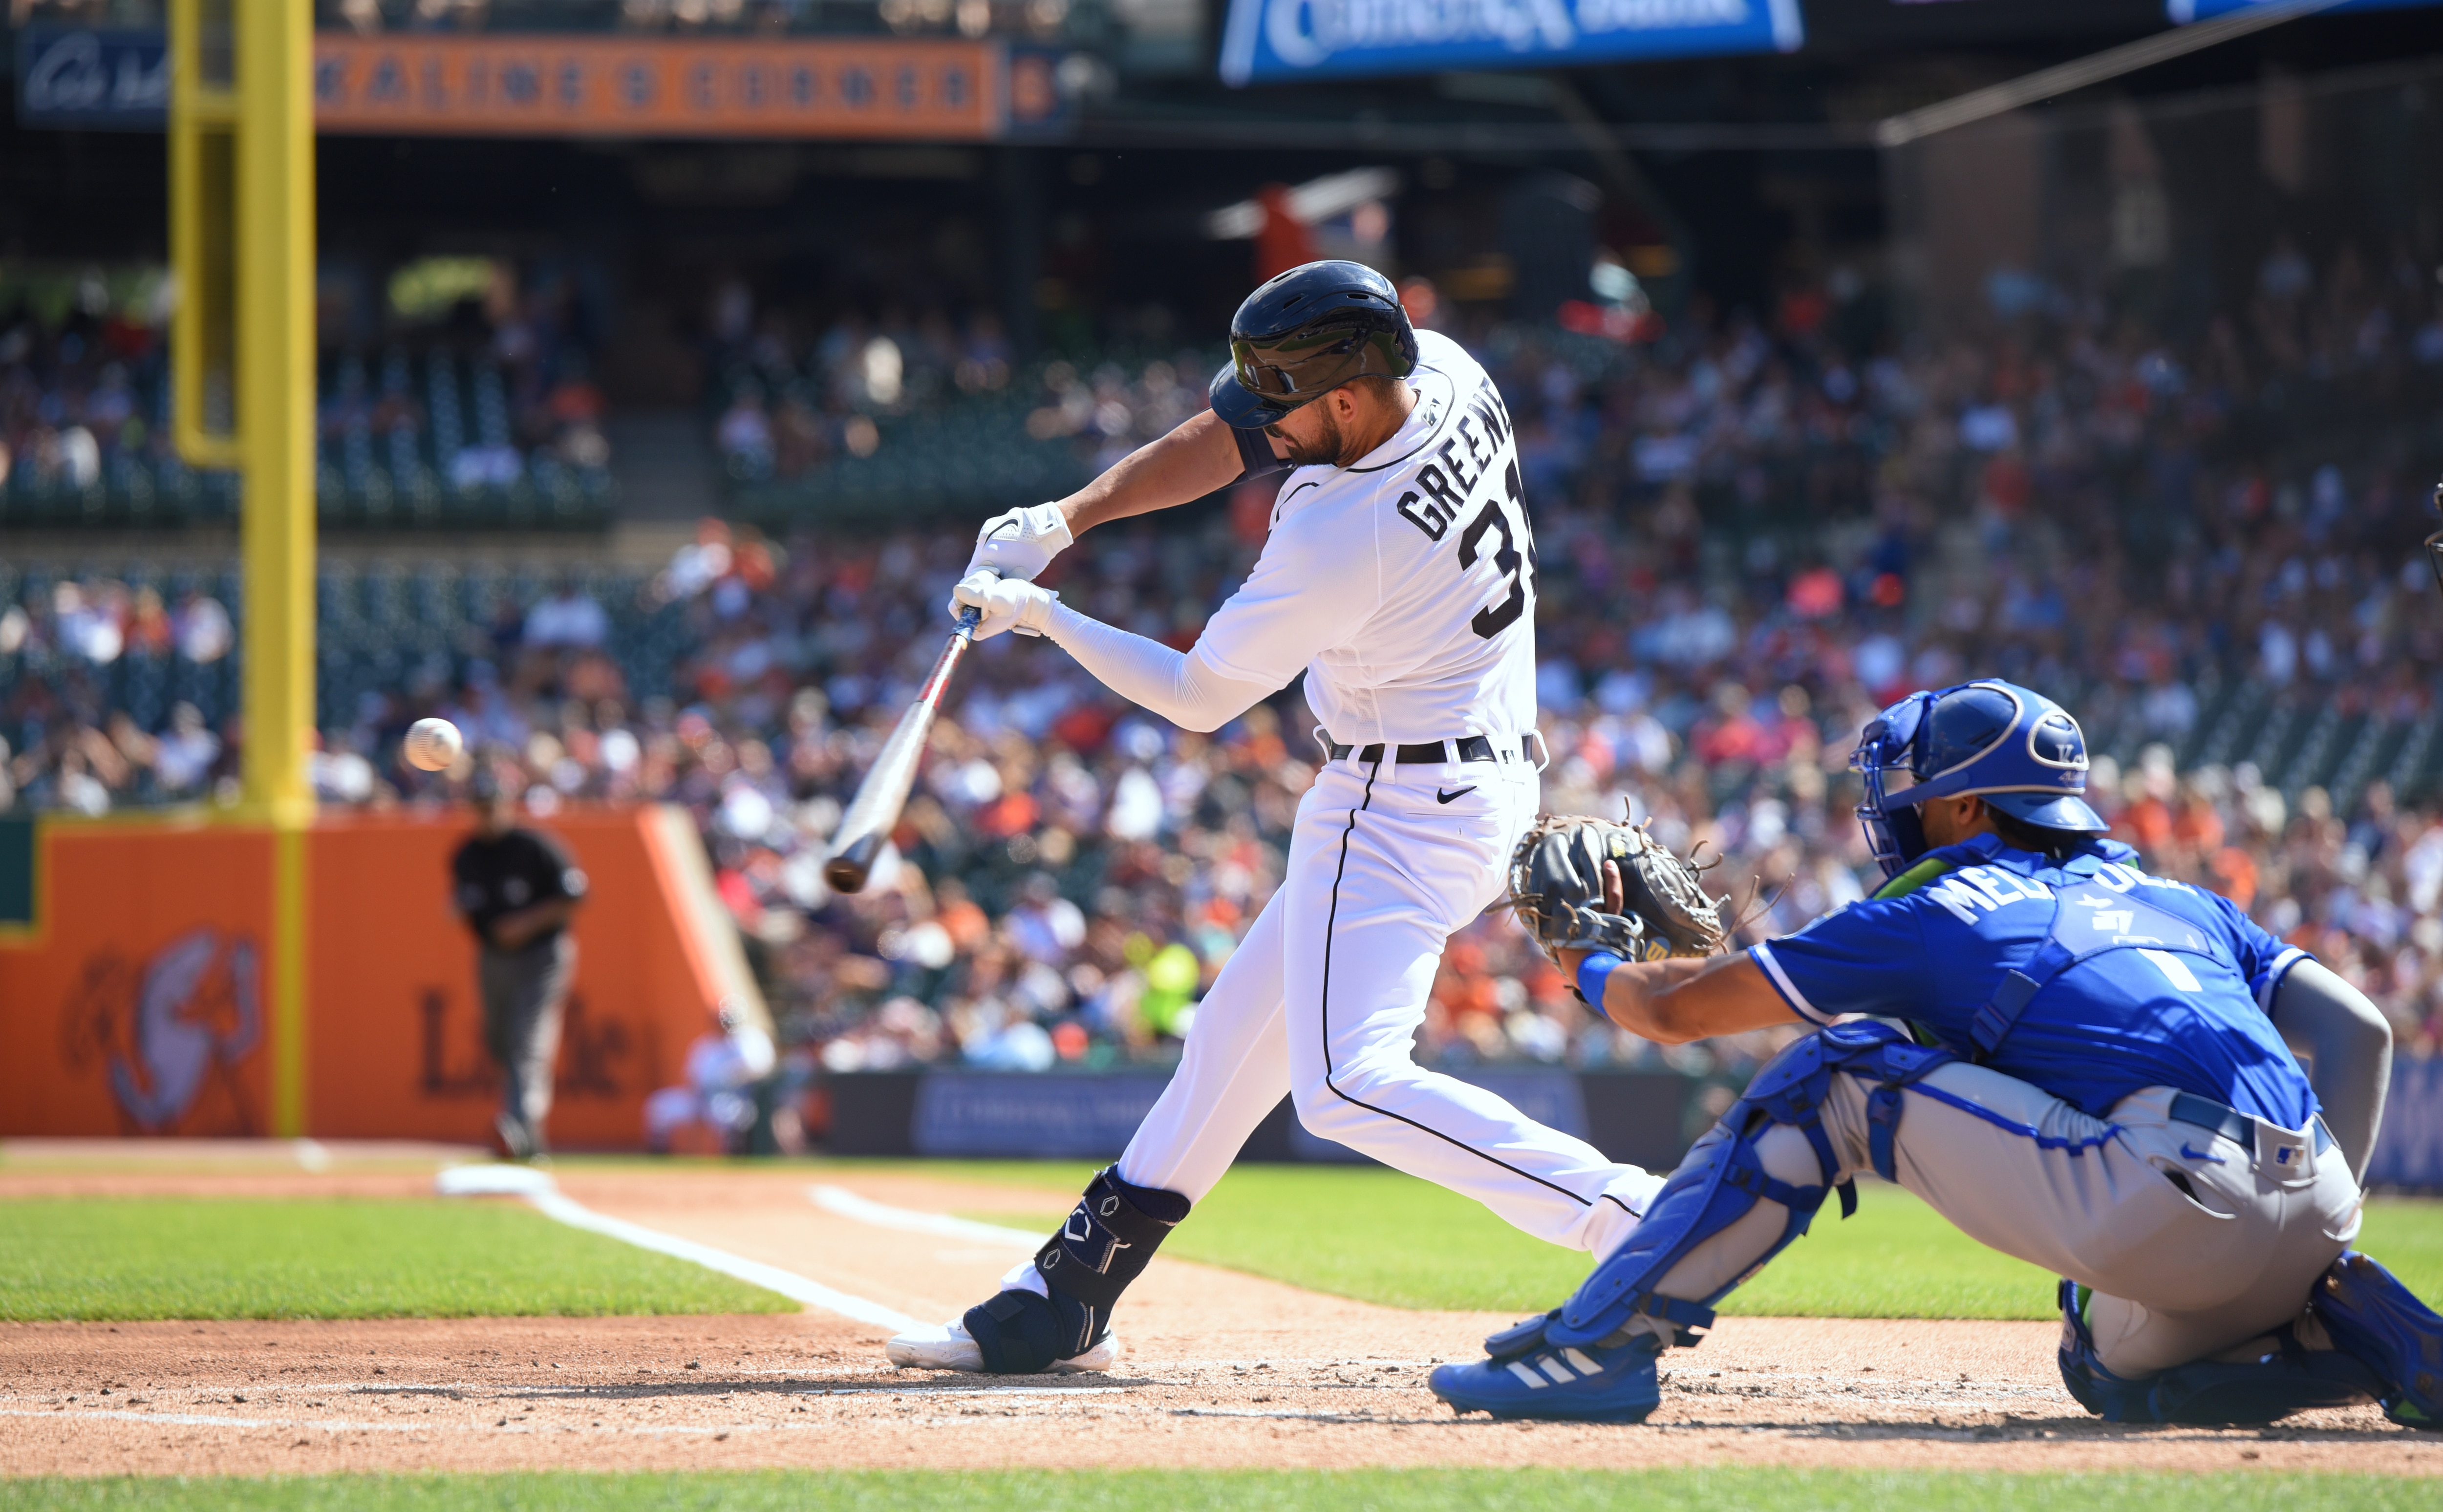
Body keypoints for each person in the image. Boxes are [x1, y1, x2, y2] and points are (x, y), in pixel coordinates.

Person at [886, 260, 1662, 1376]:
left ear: (1345, 397)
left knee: (1346, 1085)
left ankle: (1631, 1222)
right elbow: (1226, 433)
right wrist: (1067, 517)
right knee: (1229, 1049)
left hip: (1394, 798)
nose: (1260, 423)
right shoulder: (1438, 366)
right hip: (1475, 774)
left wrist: (1040, 615)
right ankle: (1064, 1298)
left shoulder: (1344, 532)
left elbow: (1201, 698)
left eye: (1283, 399)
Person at [1427, 680, 2441, 1429]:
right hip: (2309, 1207)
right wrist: (2324, 1234)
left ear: (1968, 806)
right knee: (2109, 1367)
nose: (1894, 809)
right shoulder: (2184, 897)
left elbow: (1679, 1013)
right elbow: (2363, 1029)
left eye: (1911, 790)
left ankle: (1599, 1345)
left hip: (2165, 1198)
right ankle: (2348, 1322)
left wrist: (1589, 962)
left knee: (1838, 1070)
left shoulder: (1940, 903)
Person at [450, 768, 588, 1162]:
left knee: (529, 1042)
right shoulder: (467, 854)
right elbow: (469, 904)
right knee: (499, 1042)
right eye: (479, 807)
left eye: (491, 806)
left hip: (541, 956)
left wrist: (526, 922)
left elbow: (575, 894)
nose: (486, 815)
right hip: (494, 958)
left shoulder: (535, 846)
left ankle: (520, 1129)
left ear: (506, 806)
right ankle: (525, 1132)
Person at [643, 999, 777, 1154]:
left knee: (729, 1116)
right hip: (701, 1098)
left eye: (729, 1019)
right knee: (659, 1105)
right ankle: (659, 1156)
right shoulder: (704, 1045)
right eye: (721, 1019)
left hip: (736, 1098)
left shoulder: (750, 1041)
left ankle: (734, 1157)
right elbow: (692, 1079)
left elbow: (764, 1070)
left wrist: (737, 1076)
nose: (725, 1023)